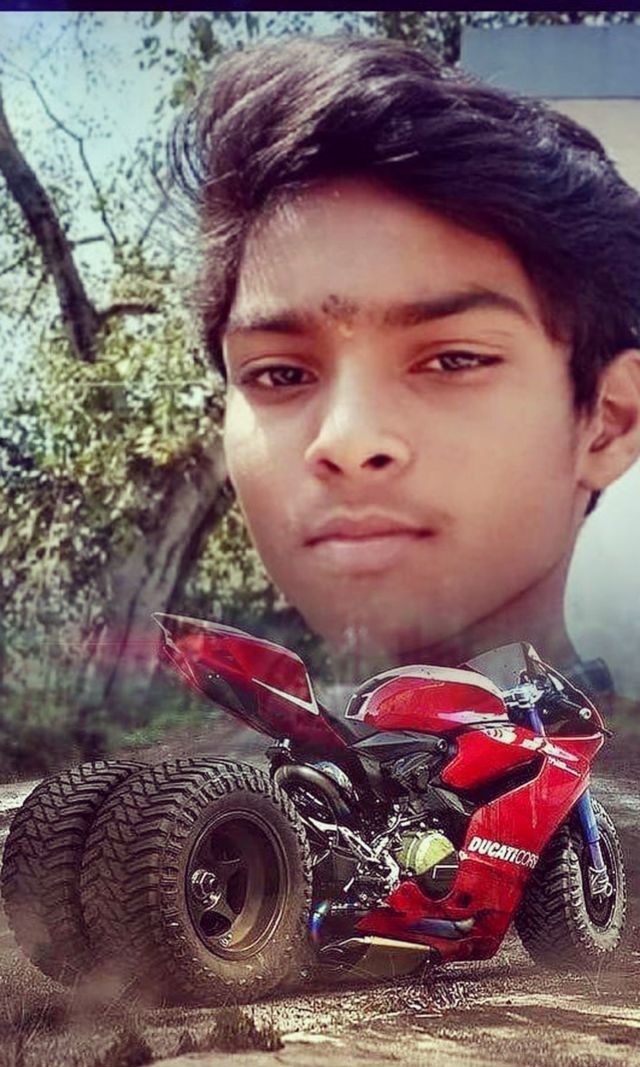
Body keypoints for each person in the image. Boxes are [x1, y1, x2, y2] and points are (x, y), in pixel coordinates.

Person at [170, 35, 640, 683]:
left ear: (609, 420)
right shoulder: (202, 753)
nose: (348, 441)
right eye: (281, 374)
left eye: (453, 360)